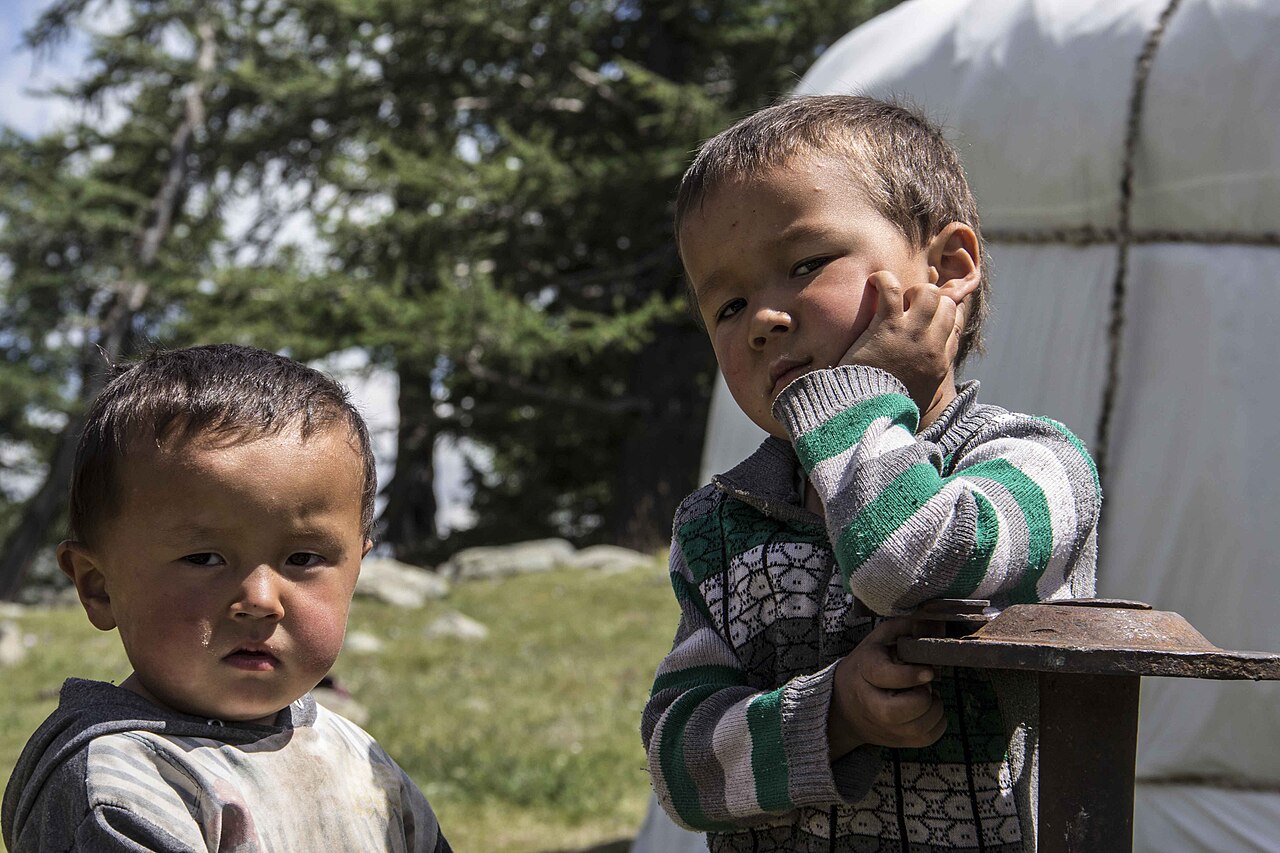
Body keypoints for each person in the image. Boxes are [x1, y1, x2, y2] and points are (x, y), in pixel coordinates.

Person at [641, 95, 1101, 852]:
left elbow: (908, 561)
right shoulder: (719, 525)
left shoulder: (1035, 465)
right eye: (728, 304)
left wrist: (854, 398)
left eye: (805, 264)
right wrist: (833, 715)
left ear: (948, 269)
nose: (763, 318)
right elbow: (681, 768)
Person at [2, 344, 451, 852]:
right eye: (203, 559)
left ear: (357, 570)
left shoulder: (361, 761)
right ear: (98, 585)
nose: (260, 600)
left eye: (303, 559)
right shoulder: (121, 786)